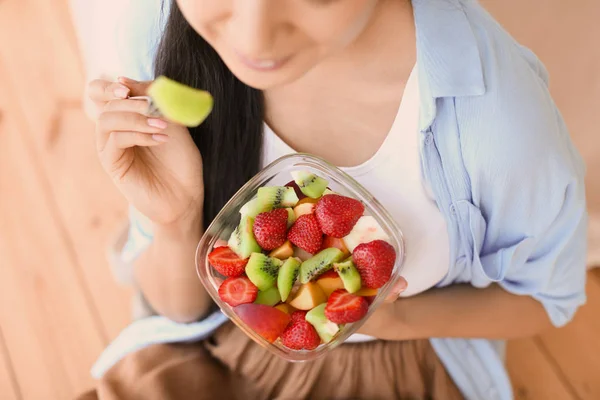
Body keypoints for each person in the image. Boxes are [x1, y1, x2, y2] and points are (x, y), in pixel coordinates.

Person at [80, 0, 588, 398]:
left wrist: (390, 319)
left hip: (401, 366)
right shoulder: (157, 29)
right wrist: (176, 219)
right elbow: (178, 310)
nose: (253, 37)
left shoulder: (501, 127)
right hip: (219, 344)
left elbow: (548, 301)